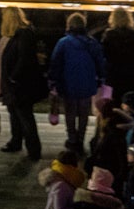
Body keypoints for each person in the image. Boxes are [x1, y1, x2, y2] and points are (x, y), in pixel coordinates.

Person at [46, 13, 108, 153]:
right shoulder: (92, 43)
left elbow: (55, 63)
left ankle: (72, 139)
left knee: (70, 113)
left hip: (68, 83)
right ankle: (81, 139)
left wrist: (52, 80)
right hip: (87, 83)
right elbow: (100, 63)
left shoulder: (63, 43)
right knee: (84, 113)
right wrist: (101, 79)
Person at [0, 8, 49, 161]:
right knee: (15, 113)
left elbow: (24, 59)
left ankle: (33, 150)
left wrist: (13, 77)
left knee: (24, 116)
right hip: (15, 84)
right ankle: (16, 141)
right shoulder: (18, 35)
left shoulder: (23, 35)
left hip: (20, 84)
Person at [101, 9, 134, 107]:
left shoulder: (109, 34)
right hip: (131, 72)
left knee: (112, 102)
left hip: (113, 73)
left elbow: (104, 52)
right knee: (130, 102)